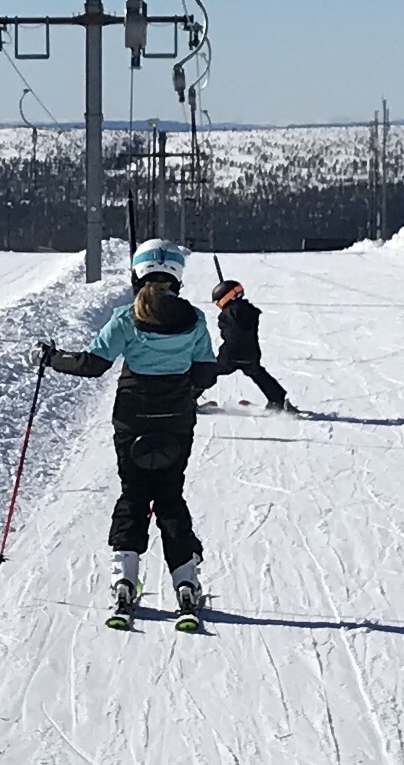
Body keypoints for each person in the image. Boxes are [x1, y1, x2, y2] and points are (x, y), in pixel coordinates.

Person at [34, 238, 220, 623]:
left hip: (132, 422)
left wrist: (51, 357)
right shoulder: (194, 319)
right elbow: (205, 373)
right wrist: (185, 391)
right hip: (176, 421)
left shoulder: (126, 318)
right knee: (169, 496)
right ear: (177, 278)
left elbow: (92, 364)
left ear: (137, 275)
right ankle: (186, 584)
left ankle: (124, 581)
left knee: (134, 494)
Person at [210, 276, 293, 412]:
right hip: (251, 353)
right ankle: (278, 400)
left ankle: (189, 399)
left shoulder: (227, 314)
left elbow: (228, 334)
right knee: (258, 373)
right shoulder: (250, 311)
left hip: (230, 354)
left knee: (208, 372)